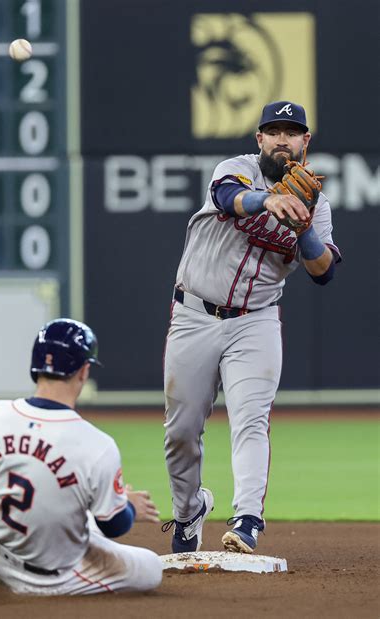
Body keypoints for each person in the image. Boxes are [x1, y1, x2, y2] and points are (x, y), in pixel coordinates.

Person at [162, 101, 341, 554]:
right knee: (181, 433)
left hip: (255, 322)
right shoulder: (235, 169)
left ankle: (246, 521)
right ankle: (188, 511)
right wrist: (270, 199)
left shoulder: (316, 205)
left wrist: (302, 224)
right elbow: (228, 199)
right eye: (274, 130)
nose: (283, 138)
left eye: (292, 131)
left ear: (306, 142)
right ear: (259, 139)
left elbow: (323, 271)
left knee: (250, 420)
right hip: (195, 315)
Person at [0, 318, 162, 595]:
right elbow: (115, 526)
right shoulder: (96, 444)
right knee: (151, 567)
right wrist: (128, 506)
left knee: (70, 508)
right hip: (54, 579)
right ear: (84, 371)